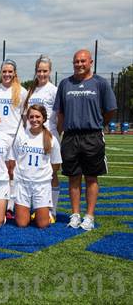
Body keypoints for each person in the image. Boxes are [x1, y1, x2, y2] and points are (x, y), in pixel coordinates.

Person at [53, 49, 117, 230]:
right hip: (71, 136)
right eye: (76, 62)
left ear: (91, 62)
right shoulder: (65, 84)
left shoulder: (100, 83)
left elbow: (110, 109)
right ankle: (75, 215)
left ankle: (89, 216)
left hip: (92, 136)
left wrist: (98, 124)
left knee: (91, 177)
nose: (79, 64)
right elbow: (61, 113)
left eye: (83, 61)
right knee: (73, 177)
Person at [9, 105, 62, 228]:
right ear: (27, 119)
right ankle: (28, 211)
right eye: (31, 117)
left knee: (42, 224)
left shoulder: (51, 139)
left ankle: (44, 212)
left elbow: (56, 165)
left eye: (38, 117)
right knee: (22, 223)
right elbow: (13, 159)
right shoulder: (21, 136)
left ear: (44, 118)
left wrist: (42, 175)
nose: (34, 120)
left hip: (41, 185)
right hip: (23, 184)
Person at [0, 59, 28, 218]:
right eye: (4, 71)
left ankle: (10, 205)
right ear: (1, 73)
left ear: (14, 73)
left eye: (10, 71)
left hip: (15, 135)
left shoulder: (22, 91)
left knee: (13, 170)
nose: (7, 74)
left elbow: (25, 116)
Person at [24, 55, 60, 220]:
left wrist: (54, 132)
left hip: (48, 135)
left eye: (45, 71)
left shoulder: (54, 89)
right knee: (32, 171)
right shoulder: (31, 89)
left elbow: (60, 116)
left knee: (51, 173)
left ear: (50, 71)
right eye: (39, 70)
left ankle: (51, 209)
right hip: (31, 135)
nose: (42, 74)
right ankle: (35, 207)